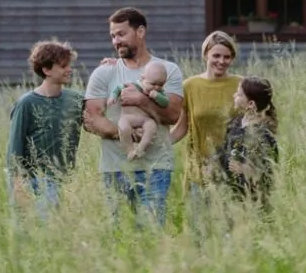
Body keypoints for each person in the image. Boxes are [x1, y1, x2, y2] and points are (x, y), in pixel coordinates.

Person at [83, 7, 184, 227]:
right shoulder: (104, 72)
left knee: (152, 236)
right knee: (117, 237)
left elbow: (173, 114)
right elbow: (91, 119)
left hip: (156, 168)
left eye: (121, 34)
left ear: (140, 32)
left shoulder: (168, 70)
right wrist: (126, 134)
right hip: (115, 168)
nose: (116, 41)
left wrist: (142, 101)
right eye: (112, 36)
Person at [167, 31, 242, 235]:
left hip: (231, 170)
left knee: (228, 233)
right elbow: (183, 127)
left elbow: (249, 127)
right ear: (206, 55)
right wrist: (160, 143)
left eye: (227, 57)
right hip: (198, 169)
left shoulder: (240, 85)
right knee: (198, 232)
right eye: (216, 55)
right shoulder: (190, 86)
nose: (221, 61)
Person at [6, 38, 85, 219]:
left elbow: (96, 119)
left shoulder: (76, 100)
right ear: (47, 70)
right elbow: (15, 147)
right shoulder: (26, 103)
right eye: (63, 66)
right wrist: (18, 185)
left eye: (69, 65)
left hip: (66, 181)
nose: (69, 69)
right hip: (34, 180)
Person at [205, 76, 279, 214]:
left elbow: (267, 169)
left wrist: (245, 169)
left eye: (239, 94)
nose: (234, 95)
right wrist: (213, 164)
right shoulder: (237, 122)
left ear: (251, 104)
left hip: (252, 199)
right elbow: (225, 149)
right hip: (231, 194)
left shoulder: (262, 134)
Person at [108, 62, 170, 161]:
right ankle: (129, 150)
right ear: (142, 79)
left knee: (151, 127)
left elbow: (165, 103)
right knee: (123, 126)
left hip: (145, 119)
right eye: (153, 84)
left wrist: (157, 96)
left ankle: (140, 149)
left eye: (161, 85)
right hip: (128, 117)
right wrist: (113, 97)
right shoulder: (132, 85)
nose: (157, 87)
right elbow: (118, 88)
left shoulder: (159, 92)